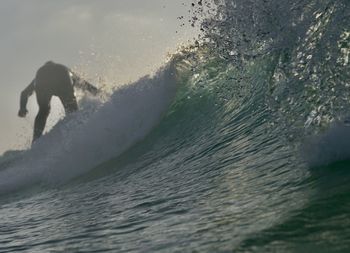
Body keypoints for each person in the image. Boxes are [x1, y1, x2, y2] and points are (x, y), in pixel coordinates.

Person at [18, 61, 99, 143]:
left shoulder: (40, 75)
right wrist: (100, 93)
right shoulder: (65, 69)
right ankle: (76, 136)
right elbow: (85, 85)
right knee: (72, 111)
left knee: (43, 110)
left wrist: (22, 108)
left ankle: (35, 141)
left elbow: (24, 93)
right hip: (63, 77)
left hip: (42, 80)